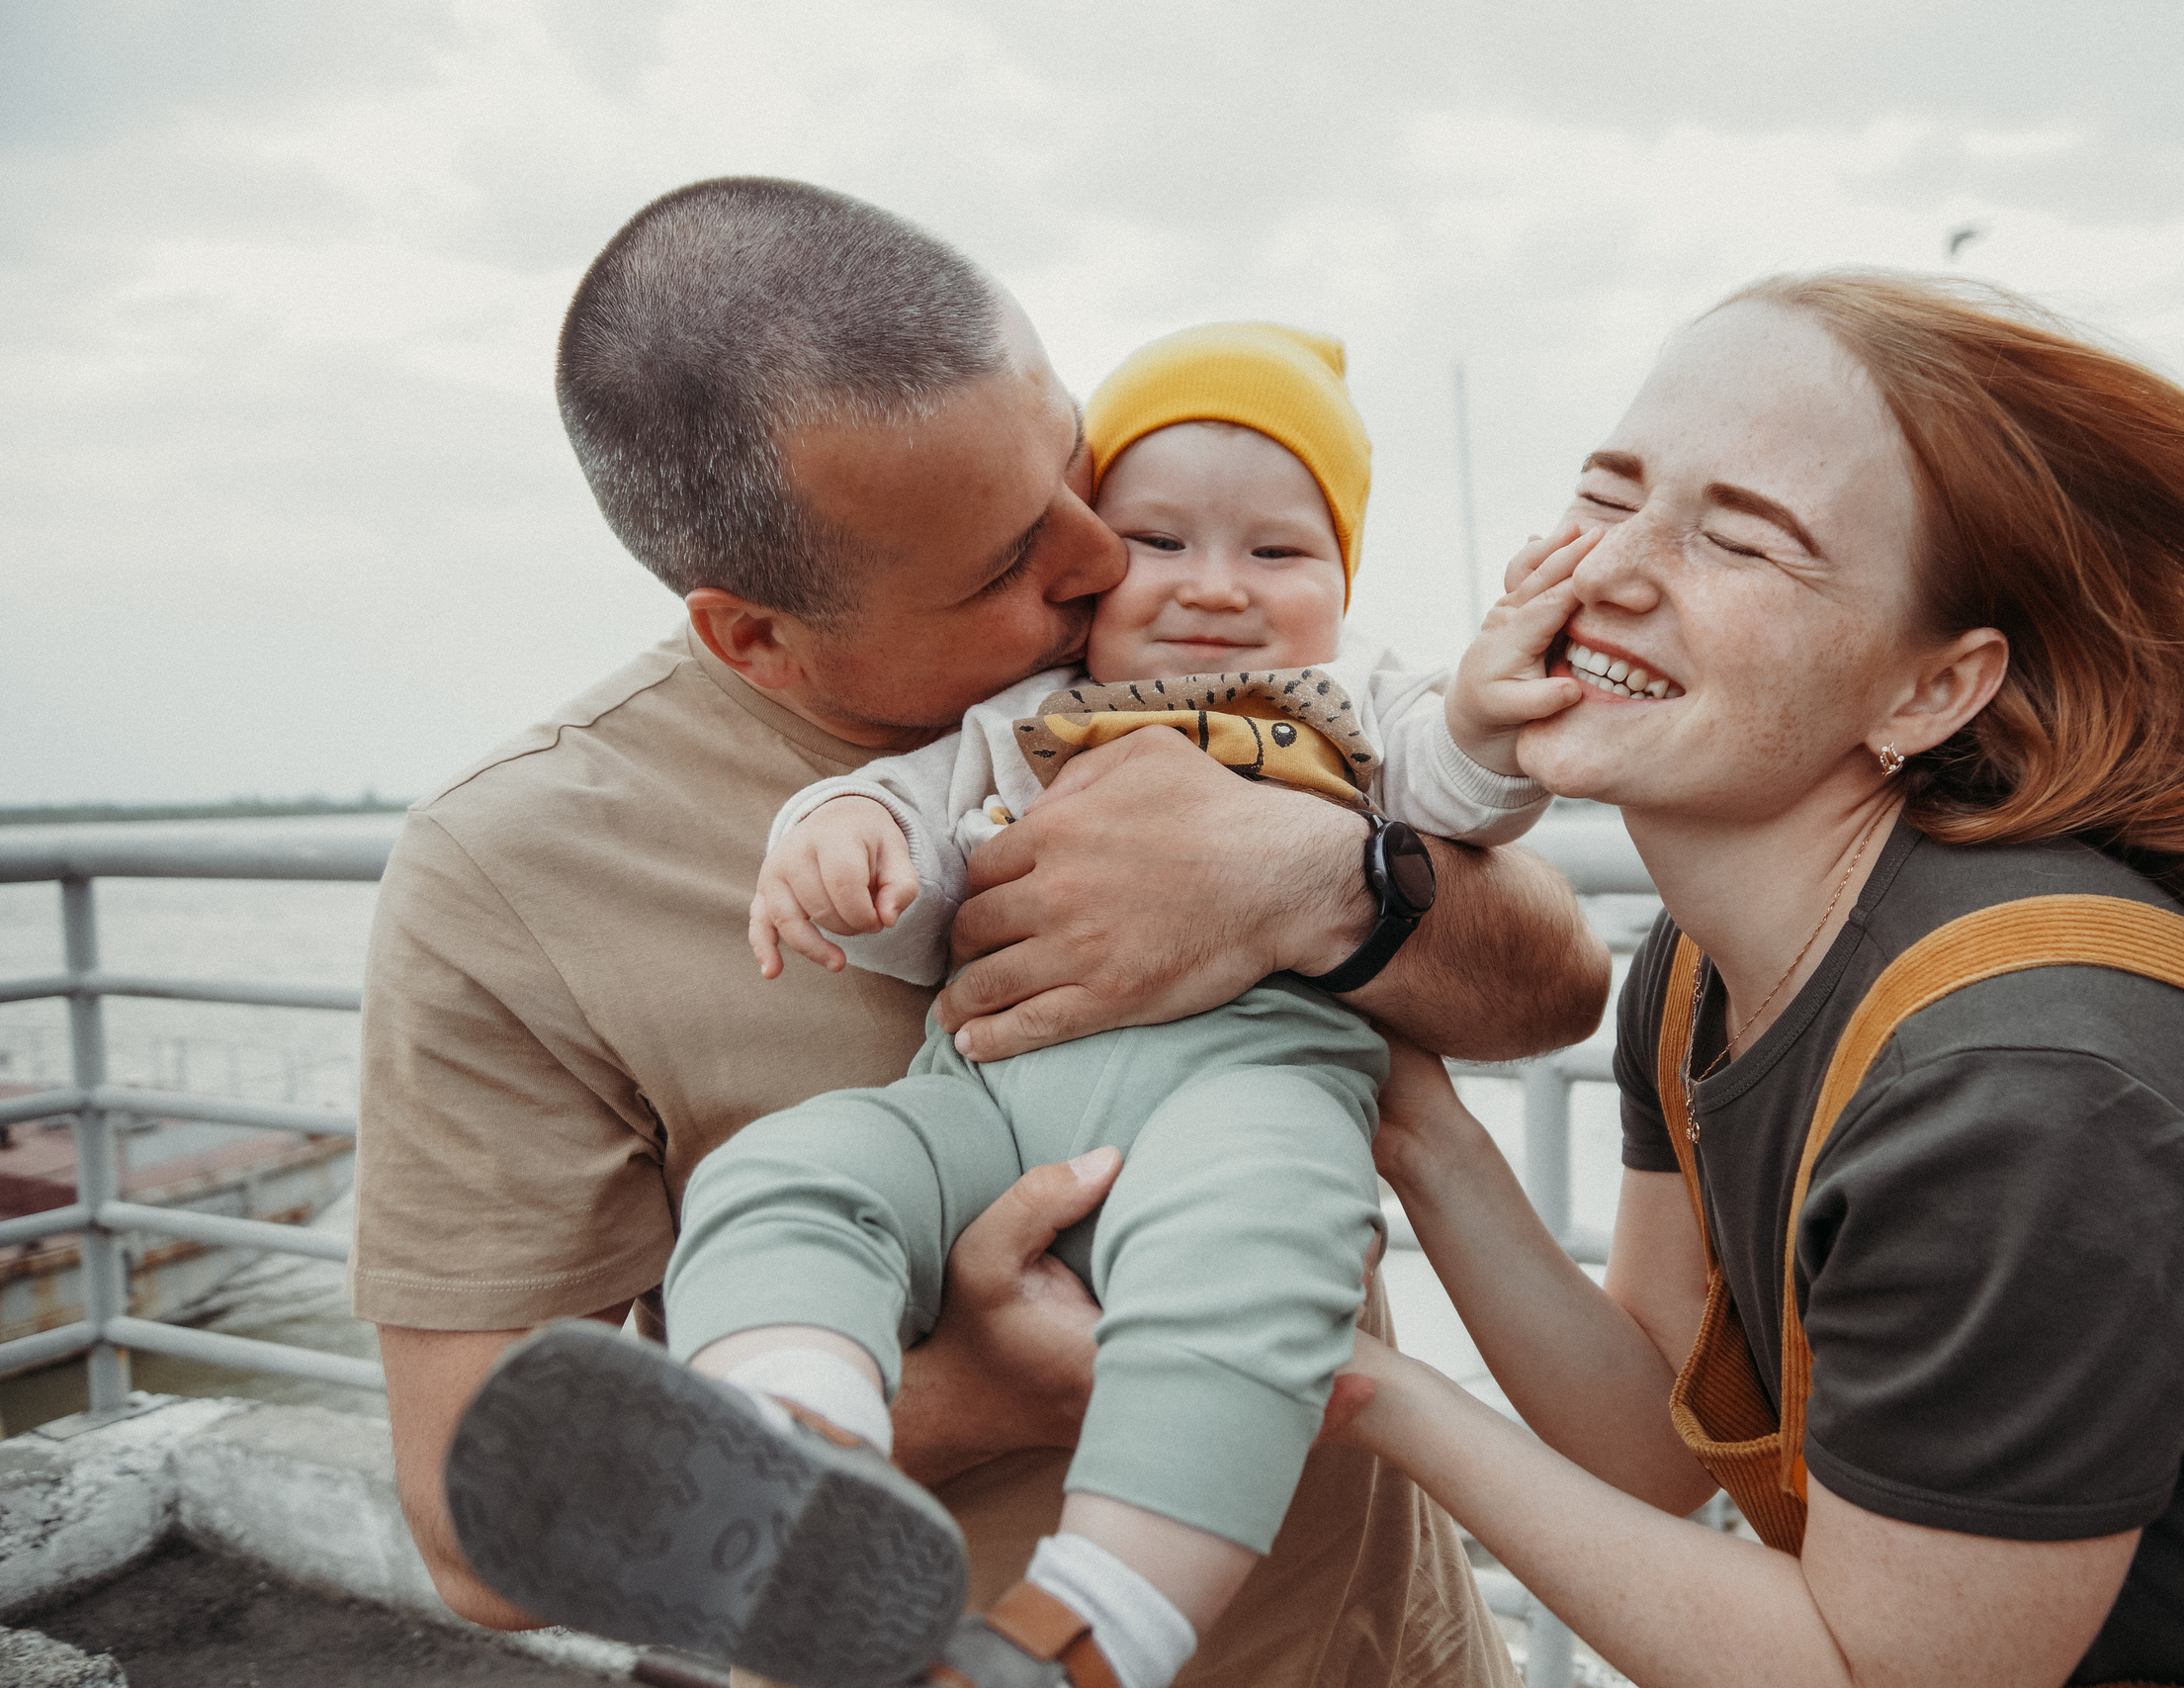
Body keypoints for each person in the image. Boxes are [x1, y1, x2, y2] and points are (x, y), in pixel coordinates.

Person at [350, 177, 1607, 1688]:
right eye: (1012, 559)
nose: (1103, 564)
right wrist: (984, 1392)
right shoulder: (514, 874)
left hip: (1379, 1651)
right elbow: (470, 1531)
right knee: (795, 1190)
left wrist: (1319, 879)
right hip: (937, 1649)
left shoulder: (1200, 652)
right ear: (750, 633)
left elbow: (1557, 987)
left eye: (1078, 467)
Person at [1320, 273, 2184, 1685]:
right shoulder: (1704, 962)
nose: (1614, 569)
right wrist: (1414, 1121)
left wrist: (1352, 1387)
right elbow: (1652, 1430)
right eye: (1608, 490)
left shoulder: (2028, 1088)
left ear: (1930, 692)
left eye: (1743, 542)